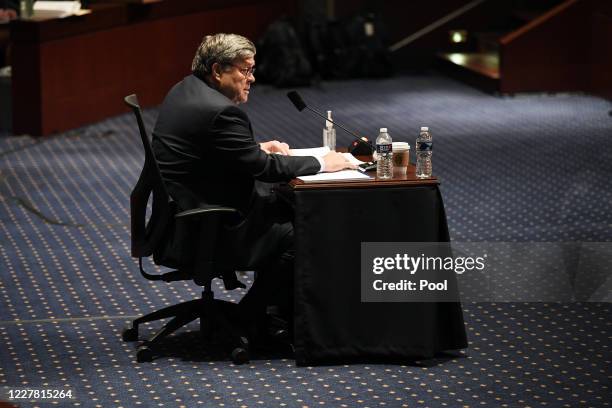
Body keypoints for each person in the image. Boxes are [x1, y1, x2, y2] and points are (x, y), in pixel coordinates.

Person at [152, 33, 355, 343]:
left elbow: (209, 150)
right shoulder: (221, 112)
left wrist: (257, 147)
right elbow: (265, 169)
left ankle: (269, 314)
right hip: (207, 226)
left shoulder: (186, 89)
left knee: (285, 207)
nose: (252, 78)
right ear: (218, 70)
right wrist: (323, 164)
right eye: (245, 70)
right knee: (304, 231)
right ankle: (250, 315)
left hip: (180, 213)